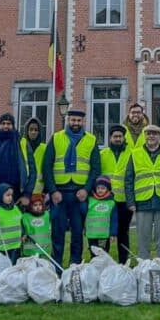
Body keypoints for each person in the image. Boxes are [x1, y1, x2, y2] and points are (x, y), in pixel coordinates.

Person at [44, 107, 100, 268]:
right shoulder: (56, 138)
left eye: (79, 120)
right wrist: (53, 190)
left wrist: (87, 189)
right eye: (73, 120)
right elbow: (47, 166)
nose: (76, 123)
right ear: (68, 120)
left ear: (83, 122)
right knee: (58, 232)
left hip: (79, 194)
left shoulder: (91, 140)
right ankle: (57, 266)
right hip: (59, 194)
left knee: (77, 232)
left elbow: (95, 168)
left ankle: (75, 264)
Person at [126, 124, 160, 261]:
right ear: (144, 136)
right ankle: (143, 270)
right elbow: (129, 179)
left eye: (154, 133)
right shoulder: (135, 153)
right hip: (143, 201)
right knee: (143, 239)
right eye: (148, 133)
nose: (151, 136)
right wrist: (130, 201)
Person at [99, 125, 134, 262]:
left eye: (120, 136)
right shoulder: (103, 154)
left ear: (124, 138)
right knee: (105, 232)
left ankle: (123, 261)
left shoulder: (131, 153)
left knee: (123, 232)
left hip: (124, 200)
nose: (118, 139)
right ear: (110, 138)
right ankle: (103, 261)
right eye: (115, 137)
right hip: (106, 200)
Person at [0, 183, 24, 263]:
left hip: (15, 245)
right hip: (1, 246)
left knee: (13, 267)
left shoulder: (15, 208)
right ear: (0, 195)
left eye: (11, 195)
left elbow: (20, 223)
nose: (10, 197)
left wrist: (23, 234)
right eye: (7, 195)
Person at [85, 175, 119, 254]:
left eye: (103, 188)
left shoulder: (111, 203)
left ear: (108, 189)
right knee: (93, 254)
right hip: (91, 235)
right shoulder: (90, 200)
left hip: (104, 236)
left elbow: (114, 220)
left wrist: (113, 234)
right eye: (98, 188)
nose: (100, 190)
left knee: (103, 254)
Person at [22, 193, 53, 260]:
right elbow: (22, 228)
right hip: (30, 250)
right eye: (35, 205)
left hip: (44, 249)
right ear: (30, 206)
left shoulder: (46, 215)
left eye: (40, 204)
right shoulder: (26, 216)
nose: (38, 207)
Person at [24, 117, 46, 195]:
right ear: (27, 131)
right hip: (23, 192)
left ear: (39, 132)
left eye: (36, 130)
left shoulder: (45, 148)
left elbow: (48, 170)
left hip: (39, 192)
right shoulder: (21, 147)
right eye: (31, 129)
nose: (33, 132)